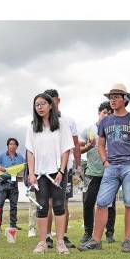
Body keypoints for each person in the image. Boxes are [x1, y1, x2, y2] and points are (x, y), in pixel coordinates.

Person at [80, 83, 130, 253]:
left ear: (124, 99)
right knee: (102, 202)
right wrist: (105, 161)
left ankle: (127, 240)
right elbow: (101, 144)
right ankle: (96, 240)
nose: (112, 100)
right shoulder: (105, 121)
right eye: (110, 97)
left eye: (116, 97)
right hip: (111, 166)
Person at [26, 93, 74, 254]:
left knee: (59, 206)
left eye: (42, 104)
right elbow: (30, 152)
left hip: (57, 172)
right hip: (40, 174)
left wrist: (61, 170)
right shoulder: (32, 127)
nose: (39, 107)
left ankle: (60, 242)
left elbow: (66, 149)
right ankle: (42, 242)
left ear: (50, 105)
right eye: (37, 105)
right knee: (42, 207)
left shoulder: (61, 125)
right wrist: (31, 173)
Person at [42, 89, 81, 249]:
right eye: (46, 101)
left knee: (63, 202)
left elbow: (75, 144)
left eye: (52, 100)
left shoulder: (68, 121)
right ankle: (48, 236)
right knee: (48, 202)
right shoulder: (41, 121)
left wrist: (79, 165)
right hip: (47, 167)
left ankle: (63, 235)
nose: (50, 103)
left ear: (58, 100)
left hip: (66, 167)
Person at [78, 101, 116, 245]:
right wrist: (88, 146)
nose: (107, 115)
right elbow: (78, 149)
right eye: (104, 112)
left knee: (109, 204)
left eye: (110, 113)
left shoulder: (114, 129)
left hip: (109, 172)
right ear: (99, 113)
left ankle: (109, 232)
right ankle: (88, 232)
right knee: (88, 203)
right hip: (92, 173)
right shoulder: (89, 130)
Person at [0, 138, 25, 230]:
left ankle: (13, 225)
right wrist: (0, 167)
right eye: (10, 144)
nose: (12, 146)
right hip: (2, 184)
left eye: (14, 144)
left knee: (14, 205)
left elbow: (26, 165)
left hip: (14, 183)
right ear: (7, 145)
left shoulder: (20, 157)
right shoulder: (2, 155)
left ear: (17, 146)